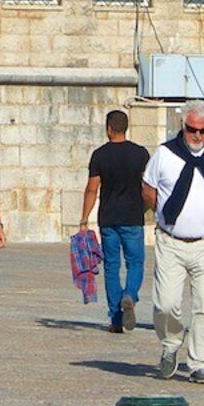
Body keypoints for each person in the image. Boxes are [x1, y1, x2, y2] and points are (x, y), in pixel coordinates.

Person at [143, 104, 204, 381]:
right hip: (171, 240)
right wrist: (165, 215)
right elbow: (148, 189)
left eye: (203, 130)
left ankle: (200, 363)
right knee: (166, 303)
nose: (197, 135)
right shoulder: (165, 153)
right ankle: (171, 344)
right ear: (183, 128)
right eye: (192, 129)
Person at [78, 108, 148, 336]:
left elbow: (92, 188)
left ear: (109, 129)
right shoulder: (140, 154)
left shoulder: (100, 155)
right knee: (135, 263)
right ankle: (130, 295)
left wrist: (84, 218)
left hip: (108, 218)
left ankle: (116, 318)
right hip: (133, 217)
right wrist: (147, 208)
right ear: (125, 128)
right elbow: (147, 186)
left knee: (111, 266)